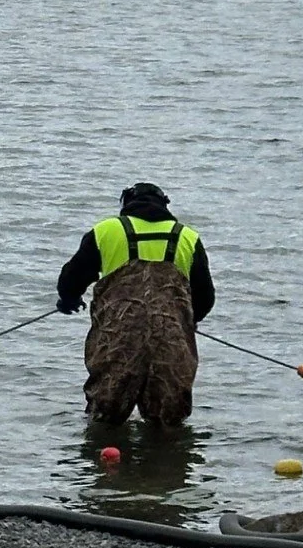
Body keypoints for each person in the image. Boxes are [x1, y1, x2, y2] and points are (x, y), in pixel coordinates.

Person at [55, 183, 215, 427]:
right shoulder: (187, 237)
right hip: (171, 344)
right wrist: (186, 322)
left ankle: (103, 462)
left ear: (126, 204)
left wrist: (69, 300)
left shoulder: (106, 231)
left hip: (117, 343)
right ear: (165, 205)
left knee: (104, 421)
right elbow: (205, 297)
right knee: (169, 425)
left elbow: (71, 279)